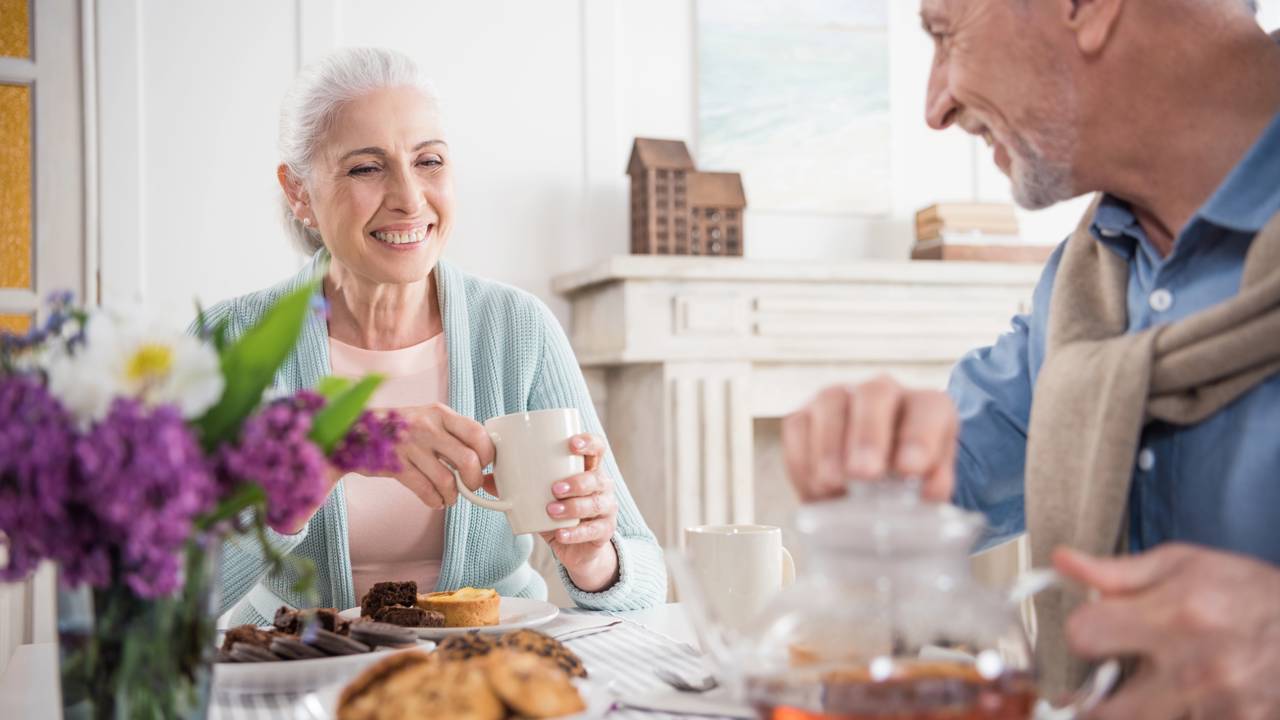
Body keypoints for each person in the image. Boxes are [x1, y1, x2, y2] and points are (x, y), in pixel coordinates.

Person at [782, 0, 1280, 716]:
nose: (935, 105)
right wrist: (875, 457)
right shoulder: (1088, 285)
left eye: (945, 33)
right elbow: (950, 472)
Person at [207, 47, 665, 625]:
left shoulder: (517, 329)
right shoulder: (229, 343)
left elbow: (646, 577)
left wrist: (594, 558)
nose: (409, 198)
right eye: (366, 168)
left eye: (429, 161)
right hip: (305, 676)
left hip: (488, 670)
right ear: (299, 192)